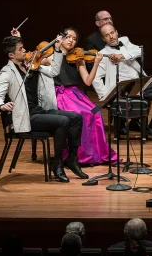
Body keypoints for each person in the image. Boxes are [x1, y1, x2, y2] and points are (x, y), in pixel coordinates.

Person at [0, 31, 84, 183]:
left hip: (39, 111)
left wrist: (58, 50)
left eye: (23, 48)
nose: (25, 51)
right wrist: (2, 106)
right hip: (27, 117)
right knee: (63, 122)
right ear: (11, 55)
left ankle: (72, 159)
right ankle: (57, 163)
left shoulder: (31, 65)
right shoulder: (7, 72)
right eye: (21, 49)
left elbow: (54, 71)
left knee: (76, 117)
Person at [39, 27, 117, 167]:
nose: (71, 41)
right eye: (68, 37)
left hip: (75, 94)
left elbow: (87, 81)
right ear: (60, 37)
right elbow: (34, 61)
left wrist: (97, 63)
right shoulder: (51, 57)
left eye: (74, 39)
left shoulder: (77, 58)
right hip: (60, 95)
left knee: (95, 112)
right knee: (80, 114)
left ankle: (94, 154)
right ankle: (77, 155)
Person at [91, 24, 152, 141]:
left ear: (116, 32)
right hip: (125, 87)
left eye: (112, 33)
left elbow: (139, 50)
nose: (111, 37)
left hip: (140, 81)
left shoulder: (124, 41)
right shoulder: (103, 54)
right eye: (107, 35)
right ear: (103, 39)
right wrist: (107, 97)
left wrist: (122, 55)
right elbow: (96, 78)